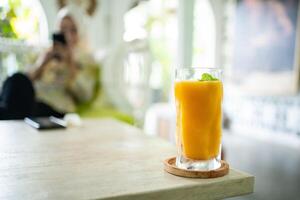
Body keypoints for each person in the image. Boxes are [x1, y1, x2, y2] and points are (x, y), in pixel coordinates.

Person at [0, 5, 99, 120]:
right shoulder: (44, 53)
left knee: (13, 107)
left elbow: (85, 95)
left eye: (73, 30)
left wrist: (70, 62)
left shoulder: (85, 59)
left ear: (80, 32)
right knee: (16, 79)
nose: (67, 35)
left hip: (55, 109)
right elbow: (24, 82)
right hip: (31, 100)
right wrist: (42, 62)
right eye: (63, 30)